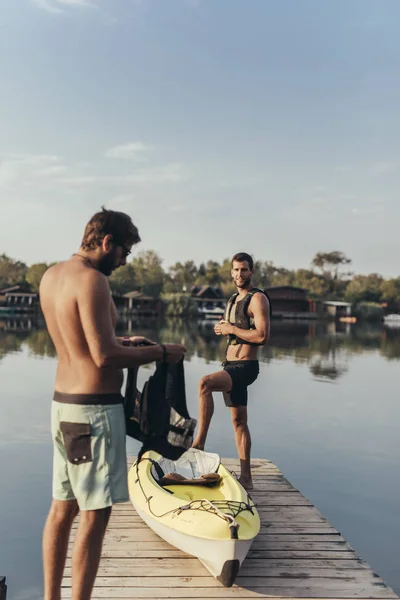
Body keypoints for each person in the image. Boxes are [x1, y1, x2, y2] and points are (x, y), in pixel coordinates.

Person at [39, 207, 186, 600]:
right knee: (94, 514)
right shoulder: (93, 281)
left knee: (61, 509)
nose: (124, 260)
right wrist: (160, 351)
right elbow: (102, 357)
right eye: (124, 251)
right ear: (106, 242)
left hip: (62, 407)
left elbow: (83, 346)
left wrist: (127, 344)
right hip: (93, 414)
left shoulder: (52, 276)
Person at [192, 252, 270, 490]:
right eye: (235, 270)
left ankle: (198, 445)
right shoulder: (233, 300)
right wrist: (223, 329)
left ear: (252, 272)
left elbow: (262, 336)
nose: (239, 274)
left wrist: (232, 330)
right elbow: (233, 329)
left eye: (244, 270)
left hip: (246, 367)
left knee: (205, 383)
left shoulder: (258, 299)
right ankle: (247, 479)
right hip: (230, 366)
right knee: (239, 422)